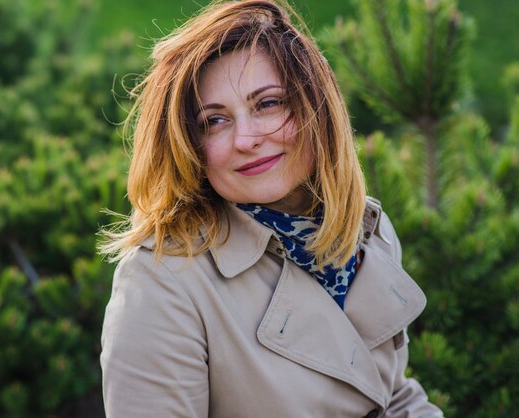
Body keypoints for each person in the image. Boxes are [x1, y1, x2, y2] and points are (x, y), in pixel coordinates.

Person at [99, 0, 443, 417]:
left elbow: (391, 394)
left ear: (318, 109)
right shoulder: (163, 279)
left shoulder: (367, 230)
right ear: (190, 146)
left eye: (268, 104)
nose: (246, 138)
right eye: (214, 121)